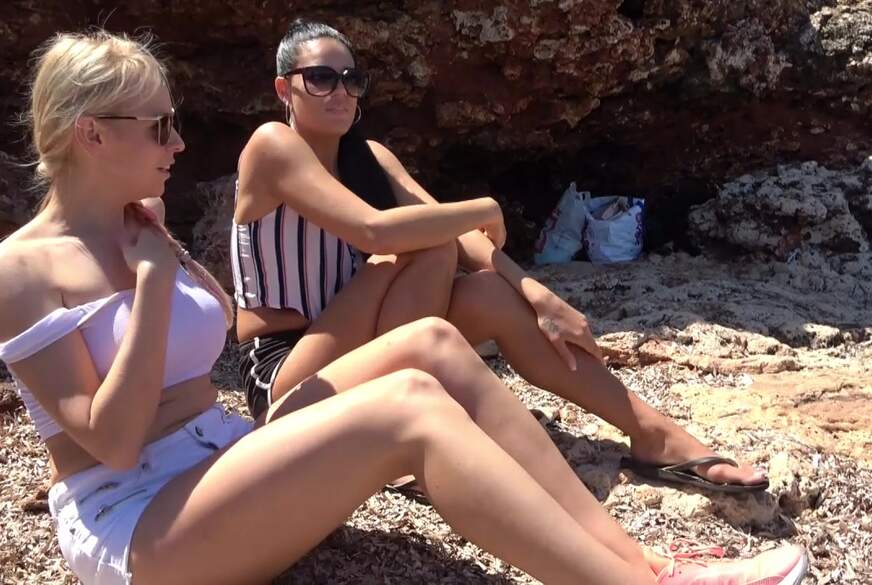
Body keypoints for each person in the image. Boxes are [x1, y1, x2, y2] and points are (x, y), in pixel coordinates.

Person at [0, 29, 807, 585]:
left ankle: (639, 561)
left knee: (432, 346)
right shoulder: (23, 270)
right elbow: (111, 442)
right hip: (140, 524)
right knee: (410, 406)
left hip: (222, 459)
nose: (179, 143)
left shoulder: (144, 225)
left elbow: (215, 332)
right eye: (161, 127)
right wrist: (149, 282)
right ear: (92, 135)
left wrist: (531, 287)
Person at [233, 19, 767, 494]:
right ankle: (398, 429)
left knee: (488, 290)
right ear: (285, 88)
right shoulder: (272, 144)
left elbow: (453, 232)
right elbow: (375, 233)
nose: (340, 92)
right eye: (320, 78)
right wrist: (484, 207)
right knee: (422, 245)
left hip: (357, 339)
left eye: (351, 80)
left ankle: (651, 431)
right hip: (288, 372)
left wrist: (538, 295)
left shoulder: (368, 158)